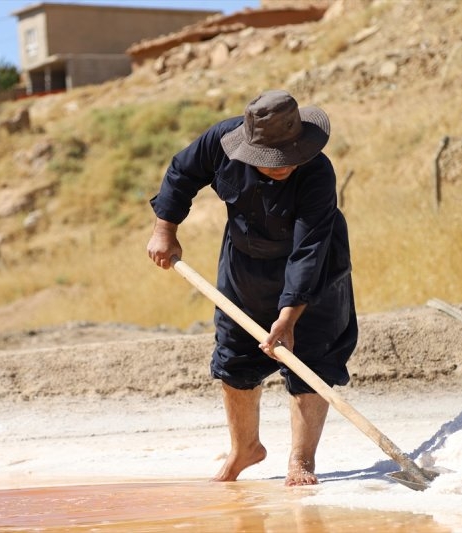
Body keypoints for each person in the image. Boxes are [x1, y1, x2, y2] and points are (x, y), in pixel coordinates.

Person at [146, 89, 358, 486]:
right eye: (271, 160)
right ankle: (245, 448)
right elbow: (182, 173)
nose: (282, 166)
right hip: (244, 267)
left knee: (312, 357)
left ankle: (301, 462)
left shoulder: (317, 173)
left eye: (289, 156)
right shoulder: (220, 143)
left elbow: (308, 251)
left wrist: (290, 316)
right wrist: (164, 230)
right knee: (235, 358)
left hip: (317, 270)